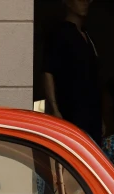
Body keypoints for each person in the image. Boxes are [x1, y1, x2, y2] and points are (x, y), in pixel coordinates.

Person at [43, 0, 104, 144]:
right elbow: (47, 71)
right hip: (71, 113)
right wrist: (54, 109)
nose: (85, 3)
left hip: (92, 116)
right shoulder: (59, 33)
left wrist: (100, 117)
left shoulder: (87, 36)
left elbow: (94, 78)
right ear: (68, 2)